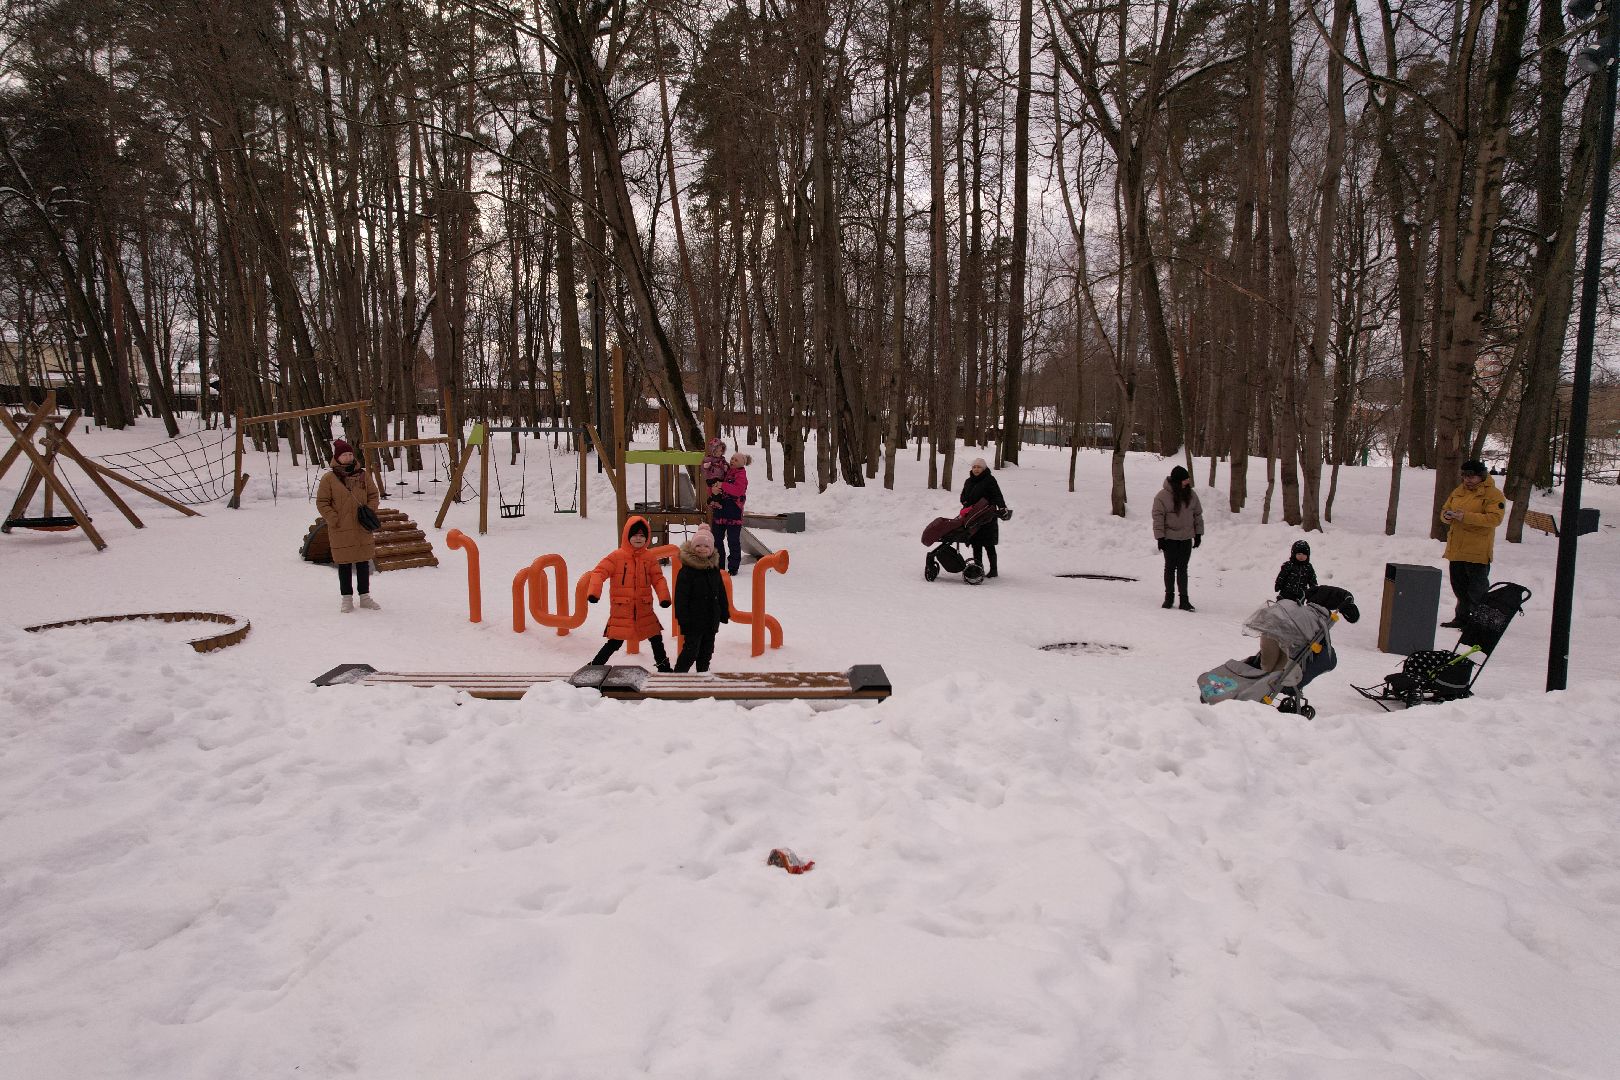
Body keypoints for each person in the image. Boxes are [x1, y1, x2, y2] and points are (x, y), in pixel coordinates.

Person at [586, 516, 673, 671]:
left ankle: (663, 666)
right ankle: (595, 666)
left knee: (655, 636)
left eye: (642, 535)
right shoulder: (616, 557)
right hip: (622, 608)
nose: (638, 539)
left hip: (644, 607)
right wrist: (594, 593)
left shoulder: (649, 558)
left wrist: (664, 597)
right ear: (627, 536)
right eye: (635, 535)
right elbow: (599, 573)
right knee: (615, 641)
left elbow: (658, 578)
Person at [315, 438, 381, 613]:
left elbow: (374, 495)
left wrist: (369, 510)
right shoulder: (329, 478)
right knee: (344, 563)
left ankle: (365, 597)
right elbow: (322, 502)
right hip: (340, 527)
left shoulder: (363, 475)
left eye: (350, 454)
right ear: (337, 457)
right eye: (345, 454)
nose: (349, 457)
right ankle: (347, 599)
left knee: (362, 561)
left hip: (362, 525)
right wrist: (333, 518)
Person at [1439, 458, 1505, 628]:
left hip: (1477, 551)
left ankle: (1480, 622)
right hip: (1457, 549)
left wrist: (1465, 517)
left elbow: (1495, 519)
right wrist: (1446, 516)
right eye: (1465, 476)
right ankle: (1461, 618)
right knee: (1459, 588)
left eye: (1472, 477)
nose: (1468, 480)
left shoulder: (1493, 494)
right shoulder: (1458, 491)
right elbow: (1445, 509)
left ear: (1481, 476)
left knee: (1477, 591)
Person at [673, 525, 730, 673]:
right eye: (698, 545)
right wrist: (683, 619)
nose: (702, 549)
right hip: (693, 620)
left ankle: (703, 674)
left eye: (706, 546)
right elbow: (681, 598)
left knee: (707, 650)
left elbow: (721, 591)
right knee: (691, 651)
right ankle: (678, 676)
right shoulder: (687, 571)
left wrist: (723, 611)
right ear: (692, 547)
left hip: (711, 618)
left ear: (711, 549)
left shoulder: (713, 569)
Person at [1151, 464, 1204, 611]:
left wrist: (1198, 534)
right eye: (1185, 480)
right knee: (1170, 568)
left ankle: (1184, 600)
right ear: (1177, 481)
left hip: (1186, 538)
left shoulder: (1191, 495)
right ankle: (1169, 597)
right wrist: (1160, 538)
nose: (1188, 483)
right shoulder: (1162, 497)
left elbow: (1198, 515)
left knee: (1183, 568)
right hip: (1170, 539)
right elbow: (1158, 518)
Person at [959, 457, 1008, 578]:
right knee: (976, 544)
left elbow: (997, 495)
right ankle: (978, 568)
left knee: (988, 544)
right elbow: (963, 495)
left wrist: (1002, 507)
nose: (976, 469)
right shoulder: (968, 481)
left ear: (984, 468)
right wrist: (965, 502)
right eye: (974, 467)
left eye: (979, 467)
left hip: (987, 517)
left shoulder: (990, 480)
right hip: (973, 517)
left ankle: (993, 570)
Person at [709, 452, 751, 576]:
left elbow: (738, 491)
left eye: (736, 460)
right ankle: (718, 565)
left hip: (734, 513)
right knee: (716, 540)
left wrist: (723, 485)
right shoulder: (725, 471)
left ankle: (733, 567)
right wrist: (714, 490)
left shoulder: (741, 475)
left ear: (742, 464)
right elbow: (714, 483)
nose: (732, 461)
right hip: (720, 511)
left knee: (733, 541)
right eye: (732, 458)